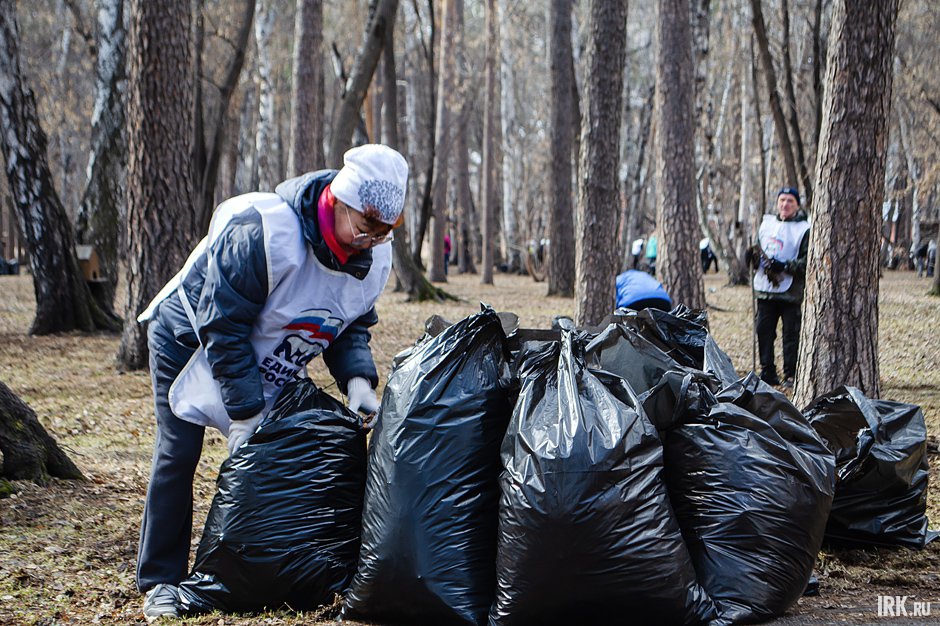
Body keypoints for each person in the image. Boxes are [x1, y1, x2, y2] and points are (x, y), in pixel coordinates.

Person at [134, 144, 408, 620]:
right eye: (364, 230)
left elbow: (347, 323)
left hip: (268, 347)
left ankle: (264, 560)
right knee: (179, 451)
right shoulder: (265, 231)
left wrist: (359, 380)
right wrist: (244, 414)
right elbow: (222, 324)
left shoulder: (373, 259)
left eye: (380, 237)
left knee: (278, 454)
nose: (369, 243)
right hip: (192, 335)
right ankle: (160, 579)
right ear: (338, 202)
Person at [746, 186, 810, 389]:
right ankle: (767, 370)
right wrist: (752, 258)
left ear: (797, 205)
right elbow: (758, 251)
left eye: (790, 201)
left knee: (791, 334)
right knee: (763, 331)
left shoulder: (804, 229)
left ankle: (790, 373)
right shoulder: (767, 225)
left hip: (790, 293)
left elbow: (808, 261)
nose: (785, 204)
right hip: (766, 291)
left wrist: (786, 266)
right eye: (782, 200)